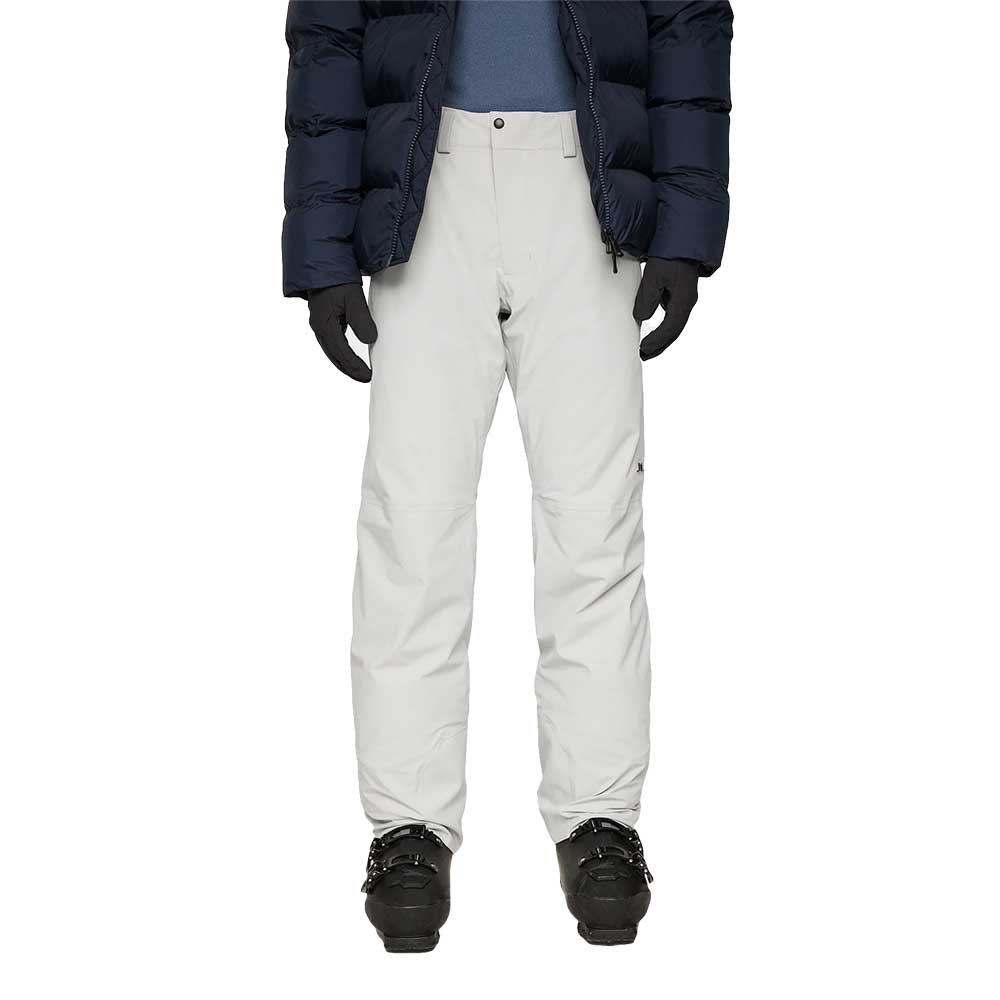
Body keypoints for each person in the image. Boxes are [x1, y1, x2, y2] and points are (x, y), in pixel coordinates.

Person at [282, 0, 733, 951]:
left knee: (595, 520)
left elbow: (688, 15)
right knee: (412, 520)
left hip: (589, 172)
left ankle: (599, 818)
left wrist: (685, 228)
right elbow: (328, 25)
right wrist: (321, 249)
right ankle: (407, 829)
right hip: (423, 173)